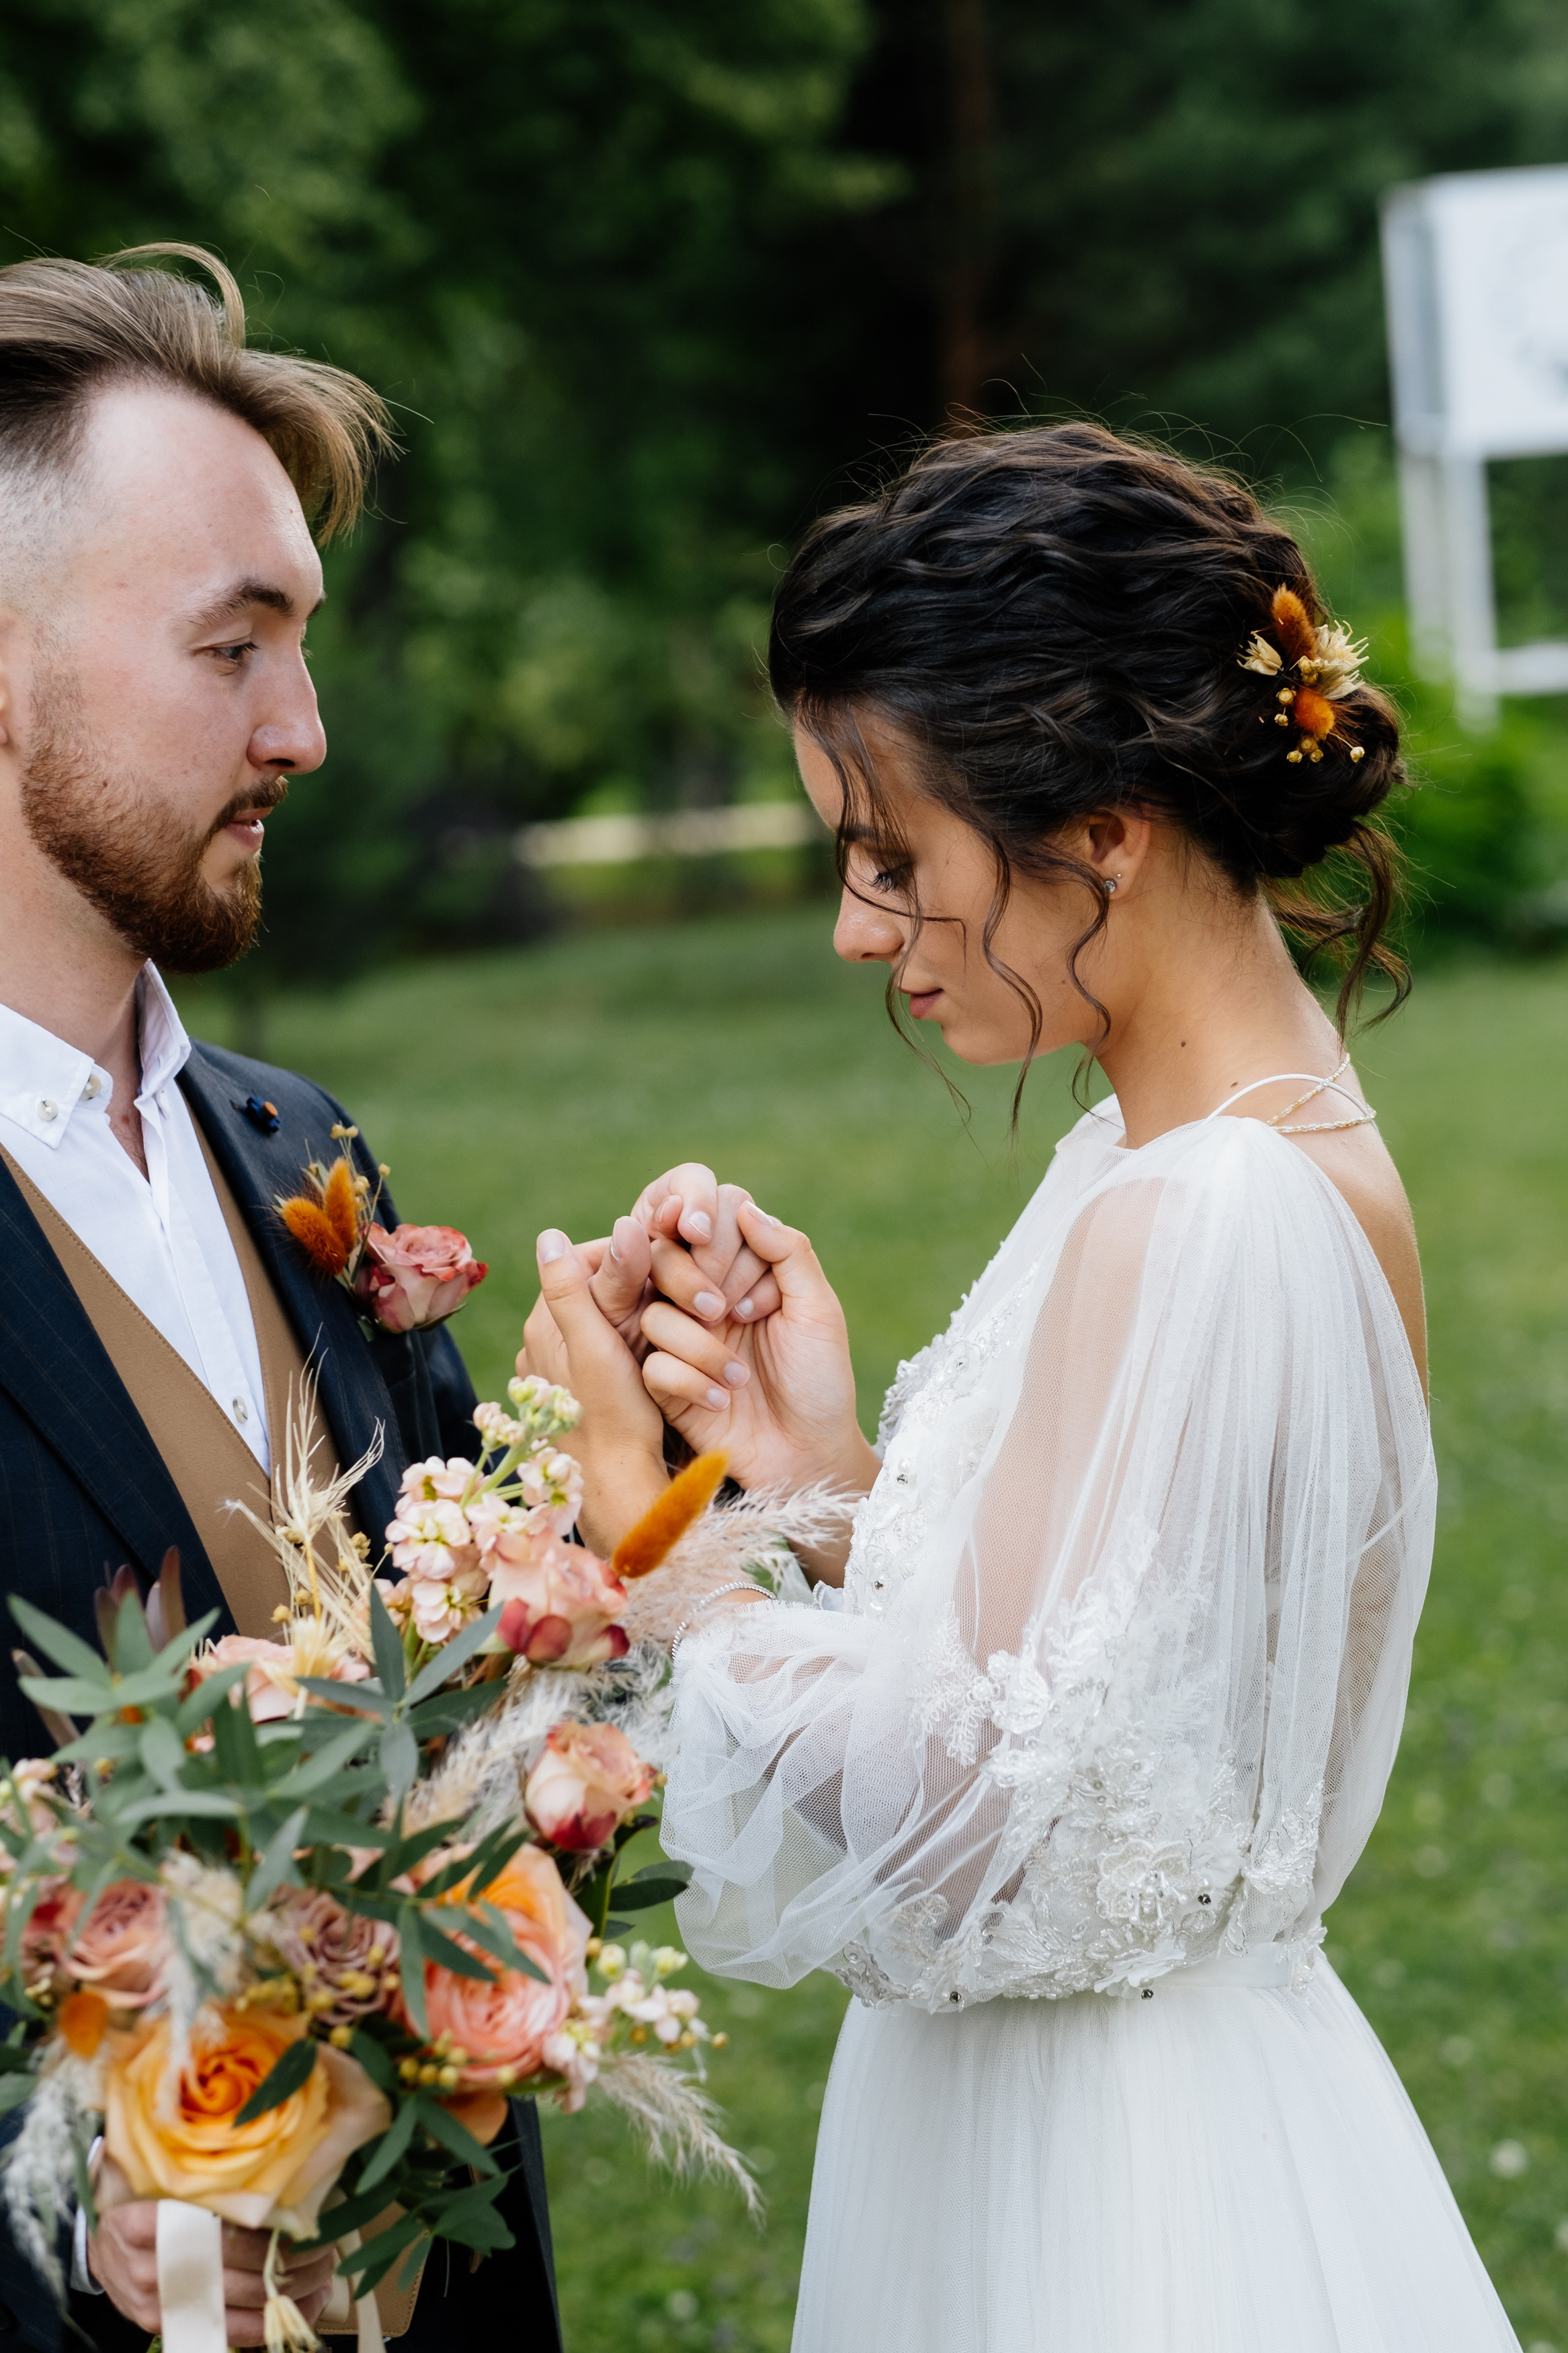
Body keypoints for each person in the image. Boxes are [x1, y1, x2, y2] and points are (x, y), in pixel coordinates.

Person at [520, 426, 1524, 2350]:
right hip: (1152, 2099)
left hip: (1113, 2189)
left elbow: (998, 1824)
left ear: (1107, 830)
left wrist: (654, 1537)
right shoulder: (1216, 1157)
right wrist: (820, 1473)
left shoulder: (1199, 1209)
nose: (855, 926)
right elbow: (1112, 1684)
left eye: (894, 856)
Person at [0, 247, 561, 2353]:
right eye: (232, 646)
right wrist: (63, 2229)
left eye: (301, 646)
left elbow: (468, 1730)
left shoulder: (298, 1141)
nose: (302, 731)